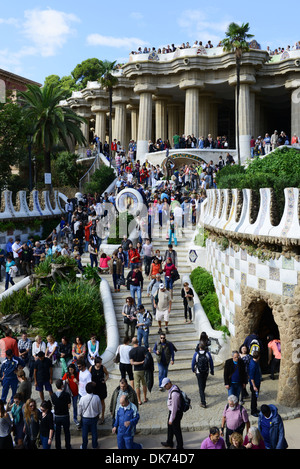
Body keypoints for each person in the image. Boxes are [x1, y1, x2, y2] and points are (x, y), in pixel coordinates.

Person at [160, 378, 184, 450]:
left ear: (169, 383)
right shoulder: (173, 388)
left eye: (165, 386)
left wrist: (171, 418)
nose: (165, 387)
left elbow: (174, 408)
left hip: (175, 413)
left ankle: (180, 446)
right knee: (170, 428)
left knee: (176, 430)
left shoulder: (174, 394)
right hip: (173, 412)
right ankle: (169, 442)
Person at [78, 381, 102, 450]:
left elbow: (80, 409)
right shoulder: (96, 397)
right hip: (94, 418)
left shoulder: (82, 398)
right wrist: (98, 414)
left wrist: (80, 415)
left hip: (85, 418)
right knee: (94, 432)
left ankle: (84, 446)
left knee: (84, 433)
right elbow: (100, 408)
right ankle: (94, 445)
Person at [191, 342, 214, 408]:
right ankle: (203, 394)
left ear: (199, 347)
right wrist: (212, 371)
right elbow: (211, 363)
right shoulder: (208, 353)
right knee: (204, 384)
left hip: (199, 372)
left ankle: (203, 402)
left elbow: (193, 363)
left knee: (200, 386)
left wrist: (193, 369)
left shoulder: (196, 354)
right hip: (206, 371)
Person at [51, 379, 72, 450]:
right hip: (65, 415)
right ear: (62, 386)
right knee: (67, 432)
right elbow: (69, 405)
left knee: (57, 433)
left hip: (57, 416)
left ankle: (58, 446)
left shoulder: (53, 395)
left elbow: (53, 404)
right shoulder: (66, 395)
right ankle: (68, 446)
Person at [89, 356, 109, 424]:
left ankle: (102, 416)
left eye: (100, 362)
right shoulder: (91, 368)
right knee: (95, 402)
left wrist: (105, 380)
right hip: (94, 387)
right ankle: (96, 415)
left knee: (102, 401)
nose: (100, 364)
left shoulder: (103, 368)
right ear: (96, 363)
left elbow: (107, 374)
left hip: (101, 386)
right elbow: (89, 376)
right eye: (99, 363)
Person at [129, 337, 148, 406]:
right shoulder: (143, 349)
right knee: (144, 384)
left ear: (132, 343)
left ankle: (139, 400)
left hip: (136, 370)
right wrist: (142, 362)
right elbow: (147, 357)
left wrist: (139, 362)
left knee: (137, 386)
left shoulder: (131, 352)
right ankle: (145, 398)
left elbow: (132, 363)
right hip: (143, 369)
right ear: (138, 342)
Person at [248, 351, 262, 417]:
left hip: (257, 382)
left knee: (255, 398)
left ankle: (255, 409)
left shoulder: (255, 362)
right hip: (254, 384)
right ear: (258, 357)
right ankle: (253, 411)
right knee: (253, 398)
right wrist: (254, 386)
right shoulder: (253, 365)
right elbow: (251, 377)